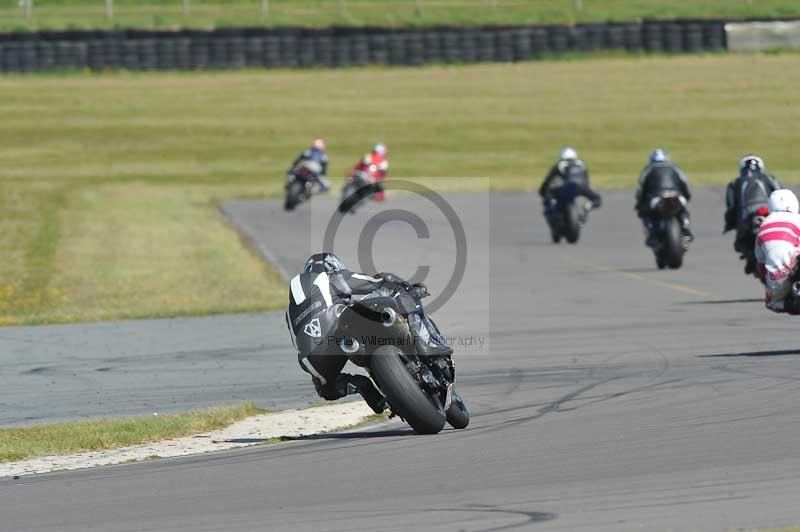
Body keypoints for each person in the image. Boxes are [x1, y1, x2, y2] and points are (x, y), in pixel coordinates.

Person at [285, 253, 451, 413]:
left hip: (313, 359)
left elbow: (296, 342)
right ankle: (424, 345)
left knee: (328, 389)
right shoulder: (331, 278)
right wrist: (406, 286)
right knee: (394, 291)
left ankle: (375, 398)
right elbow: (376, 281)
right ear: (332, 266)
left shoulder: (290, 310)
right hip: (339, 322)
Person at [724, 155, 781, 273]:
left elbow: (731, 208)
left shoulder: (734, 184)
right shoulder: (770, 178)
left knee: (739, 243)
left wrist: (729, 224)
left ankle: (751, 259)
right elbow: (782, 195)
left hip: (748, 219)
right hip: (770, 214)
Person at [635, 149, 693, 246]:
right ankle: (685, 230)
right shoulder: (675, 168)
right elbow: (684, 183)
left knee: (644, 213)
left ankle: (652, 234)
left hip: (657, 198)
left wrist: (639, 203)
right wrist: (686, 196)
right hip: (676, 196)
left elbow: (641, 187)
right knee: (683, 210)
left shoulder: (648, 169)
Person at [755, 189, 800, 314]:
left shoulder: (762, 227)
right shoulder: (797, 218)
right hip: (796, 262)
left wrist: (768, 282)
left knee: (772, 304)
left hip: (778, 278)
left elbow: (760, 265)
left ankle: (793, 305)